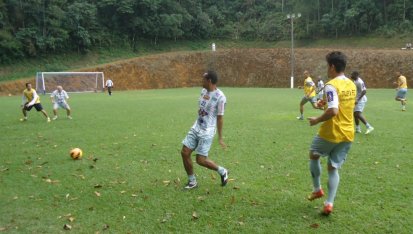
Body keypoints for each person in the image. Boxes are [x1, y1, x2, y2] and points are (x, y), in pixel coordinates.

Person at [306, 51, 356, 215]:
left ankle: (317, 189)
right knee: (333, 168)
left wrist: (317, 120)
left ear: (332, 66)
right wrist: (325, 101)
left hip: (332, 131)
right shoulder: (351, 84)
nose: (327, 69)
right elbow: (344, 104)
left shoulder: (331, 84)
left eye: (328, 66)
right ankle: (329, 203)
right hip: (348, 133)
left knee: (314, 154)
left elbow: (334, 111)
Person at [180, 70, 228, 189]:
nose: (201, 81)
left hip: (207, 131)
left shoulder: (220, 97)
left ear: (209, 81)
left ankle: (222, 171)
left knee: (200, 160)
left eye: (203, 79)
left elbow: (220, 118)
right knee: (185, 152)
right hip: (196, 127)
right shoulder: (203, 91)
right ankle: (192, 182)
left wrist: (220, 137)